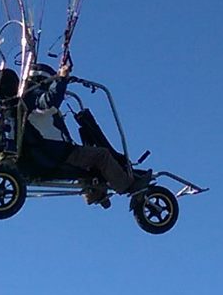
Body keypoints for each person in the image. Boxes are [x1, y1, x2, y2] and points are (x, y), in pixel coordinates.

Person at [19, 58, 136, 204]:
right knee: (102, 155)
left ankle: (95, 192)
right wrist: (61, 79)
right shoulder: (33, 95)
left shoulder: (22, 99)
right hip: (55, 151)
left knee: (89, 153)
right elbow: (50, 100)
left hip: (49, 150)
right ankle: (128, 186)